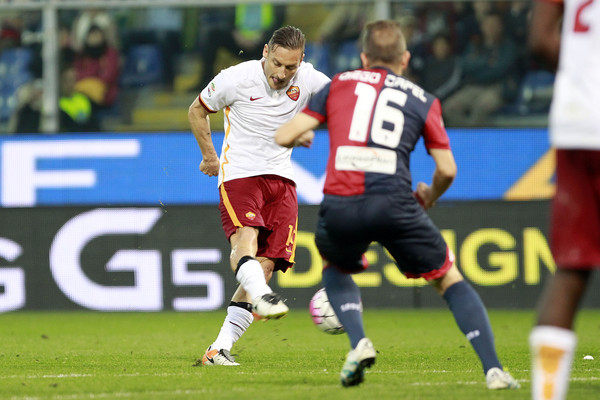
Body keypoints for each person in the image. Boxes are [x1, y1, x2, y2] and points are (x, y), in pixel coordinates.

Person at [275, 20, 520, 389]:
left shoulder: (340, 84)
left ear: (363, 57)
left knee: (336, 265)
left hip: (342, 204)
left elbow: (283, 135)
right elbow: (448, 170)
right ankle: (494, 371)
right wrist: (429, 196)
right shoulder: (423, 100)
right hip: (395, 204)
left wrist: (307, 130)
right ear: (405, 59)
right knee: (447, 278)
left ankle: (359, 343)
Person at [188, 25, 330, 366]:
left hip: (282, 179)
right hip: (239, 174)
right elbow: (197, 109)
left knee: (265, 267)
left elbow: (343, 102)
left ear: (301, 62)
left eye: (290, 67)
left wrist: (309, 126)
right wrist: (210, 156)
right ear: (265, 52)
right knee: (245, 241)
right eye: (277, 64)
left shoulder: (310, 79)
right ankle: (262, 296)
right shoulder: (235, 78)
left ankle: (217, 349)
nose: (281, 74)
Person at [528, 1, 600, 399]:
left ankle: (547, 395)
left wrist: (582, 75)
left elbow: (540, 39)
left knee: (571, 270)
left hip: (576, 123)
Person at [442, 11, 519, 127]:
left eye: (494, 25)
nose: (491, 28)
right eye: (488, 25)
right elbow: (466, 66)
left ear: (501, 27)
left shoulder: (508, 46)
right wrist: (486, 63)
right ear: (482, 27)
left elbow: (499, 70)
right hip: (474, 86)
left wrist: (479, 67)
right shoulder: (475, 44)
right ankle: (466, 137)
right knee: (449, 107)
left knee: (481, 107)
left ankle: (477, 142)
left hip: (497, 87)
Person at [191, 4, 286, 92]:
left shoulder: (275, 4)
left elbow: (278, 22)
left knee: (281, 41)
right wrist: (235, 33)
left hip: (263, 43)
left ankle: (274, 81)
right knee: (213, 35)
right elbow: (228, 16)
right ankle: (206, 81)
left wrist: (262, 37)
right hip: (238, 39)